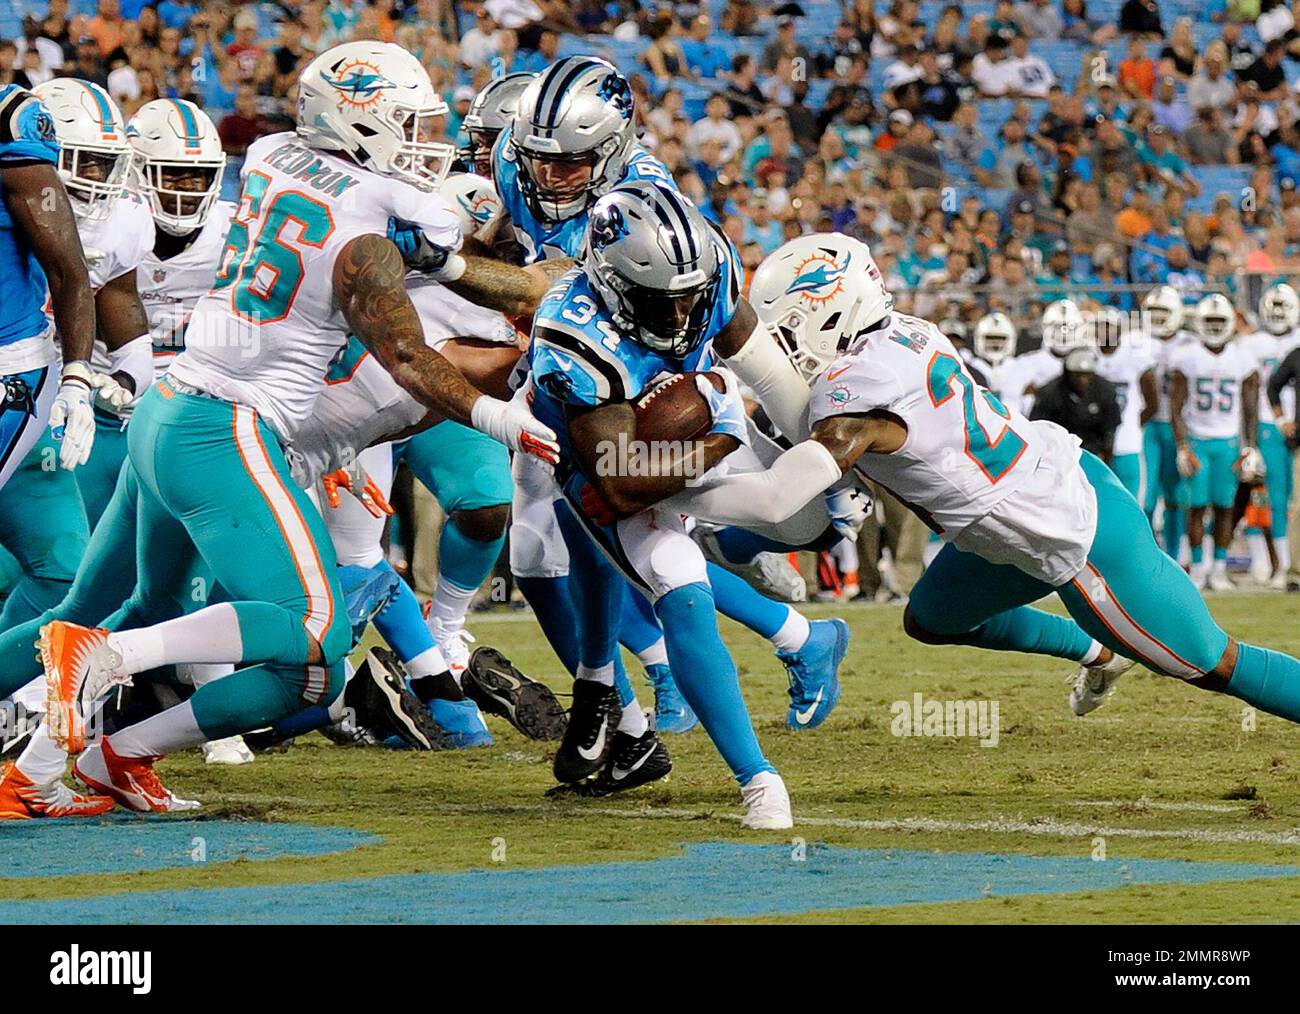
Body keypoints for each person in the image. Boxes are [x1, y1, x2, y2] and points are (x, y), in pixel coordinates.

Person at [38, 42, 558, 813]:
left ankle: (81, 759)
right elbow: (415, 358)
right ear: (359, 120)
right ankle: (105, 658)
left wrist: (443, 256)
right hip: (227, 427)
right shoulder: (379, 222)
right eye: (406, 122)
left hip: (173, 409)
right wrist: (501, 418)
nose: (423, 140)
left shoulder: (280, 152)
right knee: (314, 629)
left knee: (262, 649)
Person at [671, 231, 1300, 740]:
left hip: (1075, 538)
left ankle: (1131, 649)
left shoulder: (858, 392)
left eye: (791, 328)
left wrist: (672, 492)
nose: (787, 348)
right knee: (931, 618)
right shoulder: (905, 332)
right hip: (1012, 522)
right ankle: (1098, 653)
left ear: (829, 310)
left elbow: (782, 495)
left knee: (1213, 664)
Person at [1170, 293, 1261, 590]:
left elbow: (1251, 408)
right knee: (1196, 507)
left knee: (1225, 508)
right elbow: (1176, 406)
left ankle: (1219, 568)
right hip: (1198, 441)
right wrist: (1182, 444)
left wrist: (1250, 446)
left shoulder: (1243, 359)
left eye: (1218, 320)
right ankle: (1198, 567)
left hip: (1228, 443)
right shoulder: (1187, 357)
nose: (1213, 326)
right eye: (1208, 320)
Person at [1242, 282, 1300, 586]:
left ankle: (1286, 563)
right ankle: (1278, 564)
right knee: (1271, 495)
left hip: (1292, 424)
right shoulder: (1253, 342)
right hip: (1268, 423)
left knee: (1291, 497)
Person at [1091, 307, 1157, 497]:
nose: (1105, 332)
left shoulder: (1135, 358)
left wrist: (1132, 424)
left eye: (1108, 327)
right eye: (1101, 327)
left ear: (1119, 329)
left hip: (1127, 444)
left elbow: (1153, 404)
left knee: (1132, 503)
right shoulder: (1086, 356)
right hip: (1095, 445)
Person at [1031, 347, 1123, 463]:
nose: (1082, 380)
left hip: (1093, 451)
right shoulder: (1050, 392)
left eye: (1086, 375)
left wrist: (1105, 459)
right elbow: (1039, 427)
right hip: (1059, 452)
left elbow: (1110, 427)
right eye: (1077, 375)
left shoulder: (1105, 390)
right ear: (1068, 373)